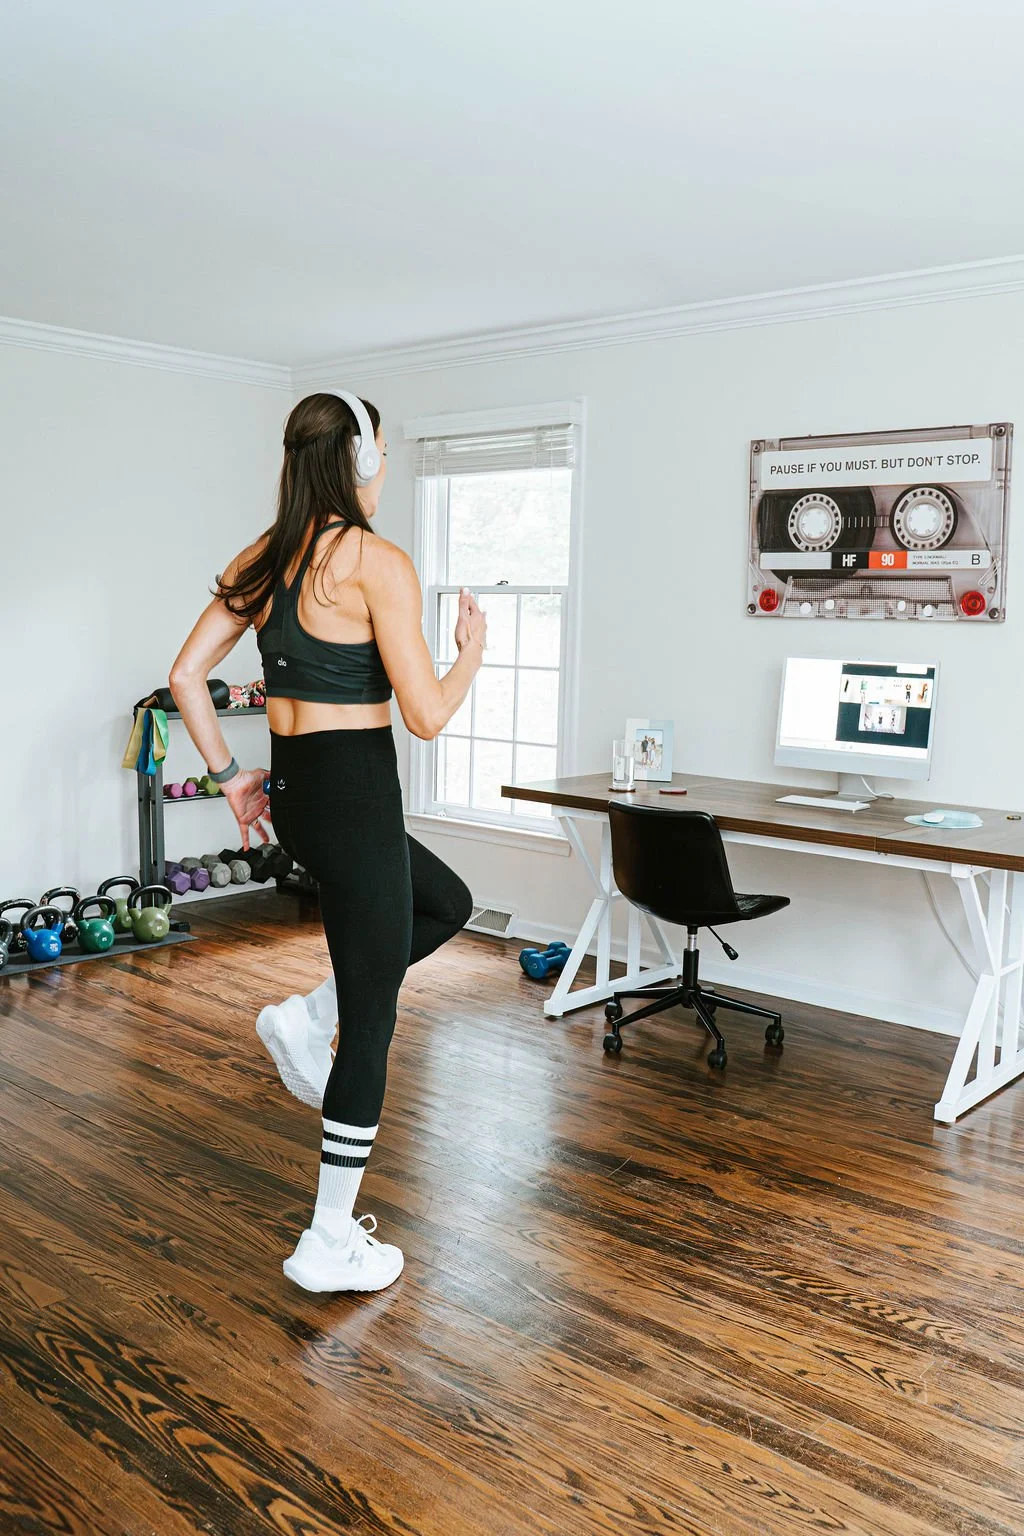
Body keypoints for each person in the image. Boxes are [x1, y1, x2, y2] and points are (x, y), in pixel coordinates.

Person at [169, 391, 485, 1294]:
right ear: (357, 461)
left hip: (300, 795)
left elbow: (187, 676)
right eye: (381, 451)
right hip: (353, 800)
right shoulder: (377, 563)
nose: (385, 467)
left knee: (445, 904)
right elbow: (424, 715)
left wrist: (234, 777)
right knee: (376, 1021)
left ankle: (308, 1013)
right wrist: (472, 652)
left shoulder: (262, 559)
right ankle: (329, 1238)